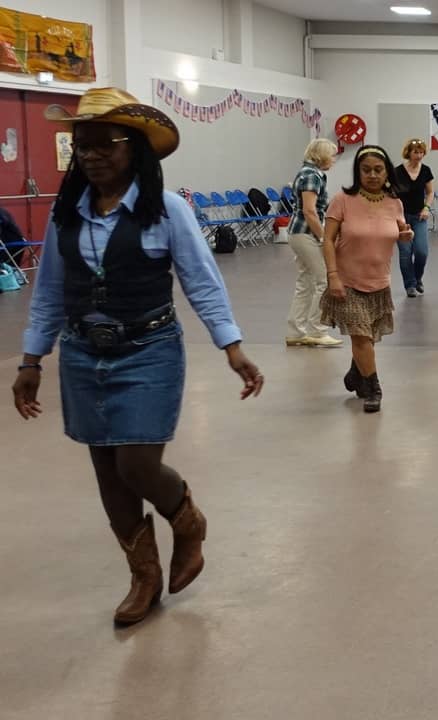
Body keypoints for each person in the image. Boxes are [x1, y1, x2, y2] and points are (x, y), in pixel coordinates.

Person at [12, 87, 264, 626]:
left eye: (106, 143)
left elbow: (202, 281)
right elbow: (51, 292)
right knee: (107, 470)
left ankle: (186, 519)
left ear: (137, 149)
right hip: (82, 354)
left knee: (136, 463)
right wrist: (31, 361)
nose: (92, 155)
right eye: (82, 144)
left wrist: (232, 347)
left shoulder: (166, 209)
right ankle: (144, 576)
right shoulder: (66, 212)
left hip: (149, 349)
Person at [321, 145, 414, 413]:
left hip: (379, 281)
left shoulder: (394, 202)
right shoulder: (342, 200)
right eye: (366, 170)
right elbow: (327, 240)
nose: (372, 175)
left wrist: (404, 236)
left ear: (387, 172)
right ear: (357, 171)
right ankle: (374, 388)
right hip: (347, 281)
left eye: (378, 170)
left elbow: (398, 230)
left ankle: (356, 374)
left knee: (367, 338)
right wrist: (332, 276)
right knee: (361, 336)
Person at [284, 138, 342, 348]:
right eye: (332, 156)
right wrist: (324, 237)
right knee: (324, 280)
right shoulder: (311, 175)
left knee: (305, 282)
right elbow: (309, 211)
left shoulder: (309, 173)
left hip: (298, 233)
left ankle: (295, 332)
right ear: (322, 156)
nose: (333, 160)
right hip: (305, 233)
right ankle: (318, 330)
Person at [392, 138, 435, 297]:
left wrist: (426, 208)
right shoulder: (397, 172)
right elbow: (391, 194)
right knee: (405, 252)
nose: (419, 155)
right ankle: (409, 285)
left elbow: (430, 192)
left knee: (421, 251)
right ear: (408, 153)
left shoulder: (426, 171)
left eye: (421, 152)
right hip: (401, 217)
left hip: (419, 216)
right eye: (415, 152)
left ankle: (417, 279)